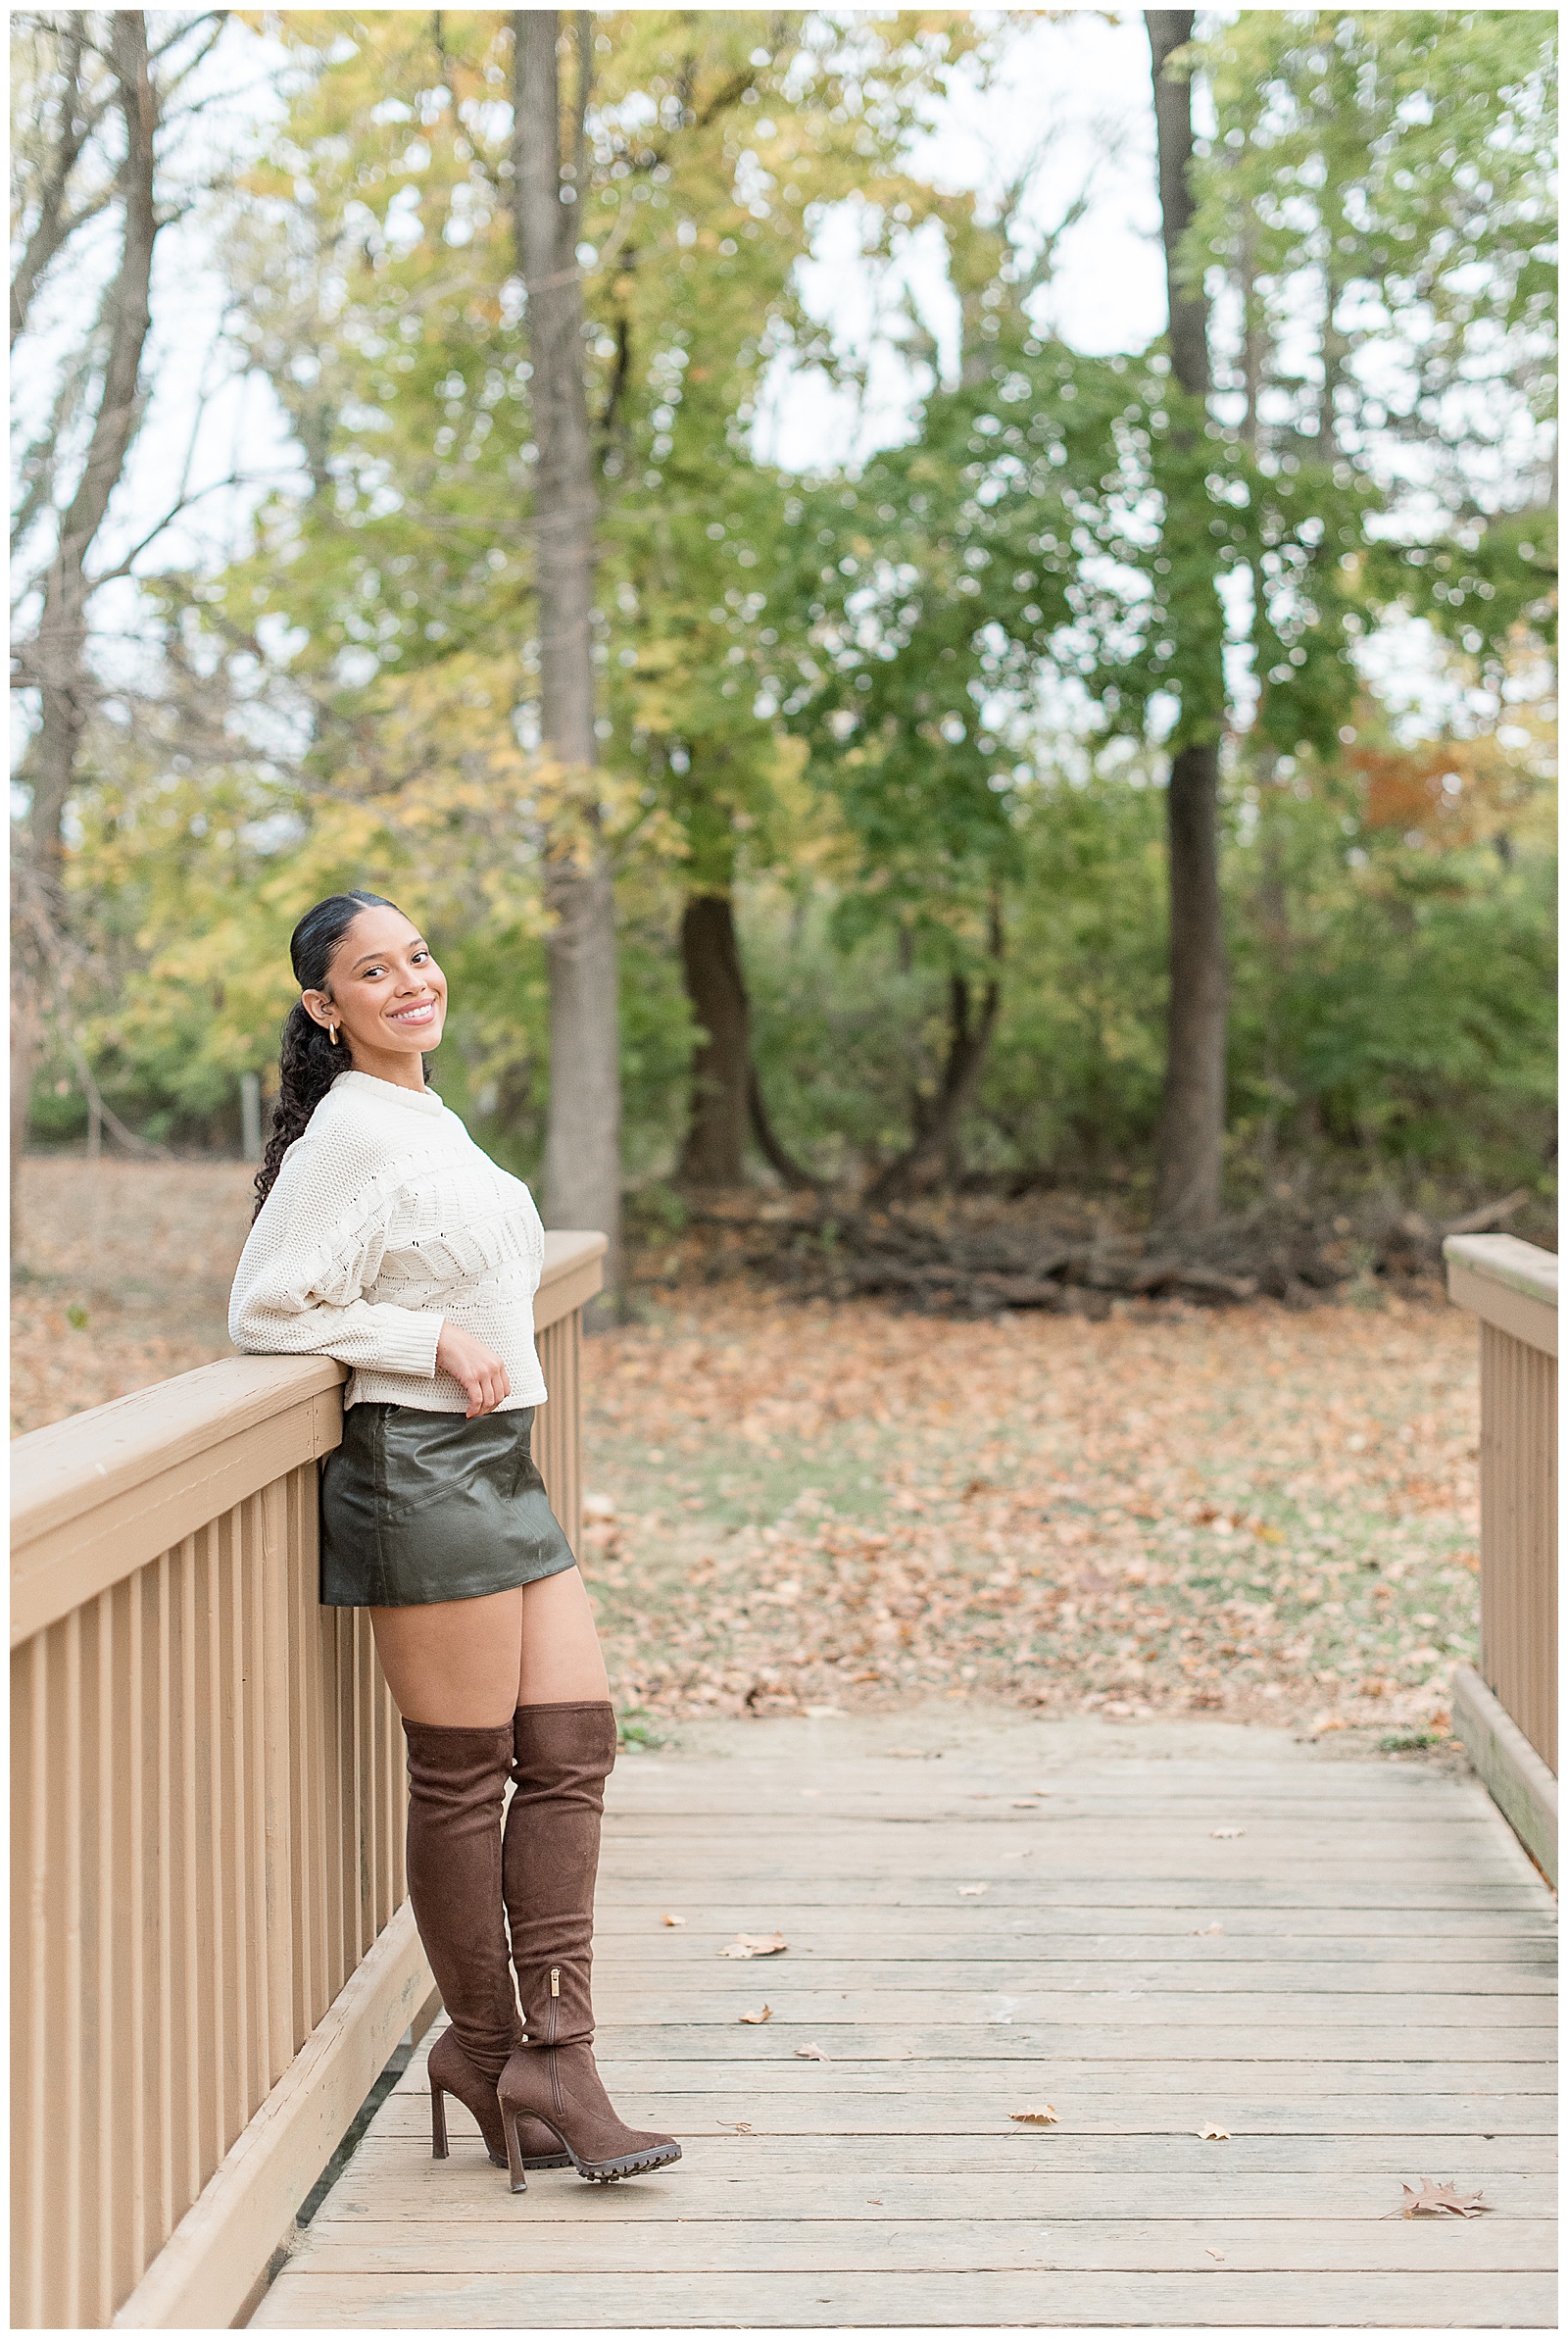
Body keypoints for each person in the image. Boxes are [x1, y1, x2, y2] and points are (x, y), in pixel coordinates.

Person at [229, 889, 678, 2192]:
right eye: (374, 971)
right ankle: (494, 2055)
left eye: (416, 956)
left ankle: (560, 2054)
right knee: (464, 1775)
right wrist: (423, 1341)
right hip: (416, 1464)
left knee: (574, 1746)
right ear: (326, 1005)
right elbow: (267, 1303)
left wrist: (456, 1327)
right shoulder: (350, 1133)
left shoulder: (423, 1113)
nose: (410, 980)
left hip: (496, 1459)